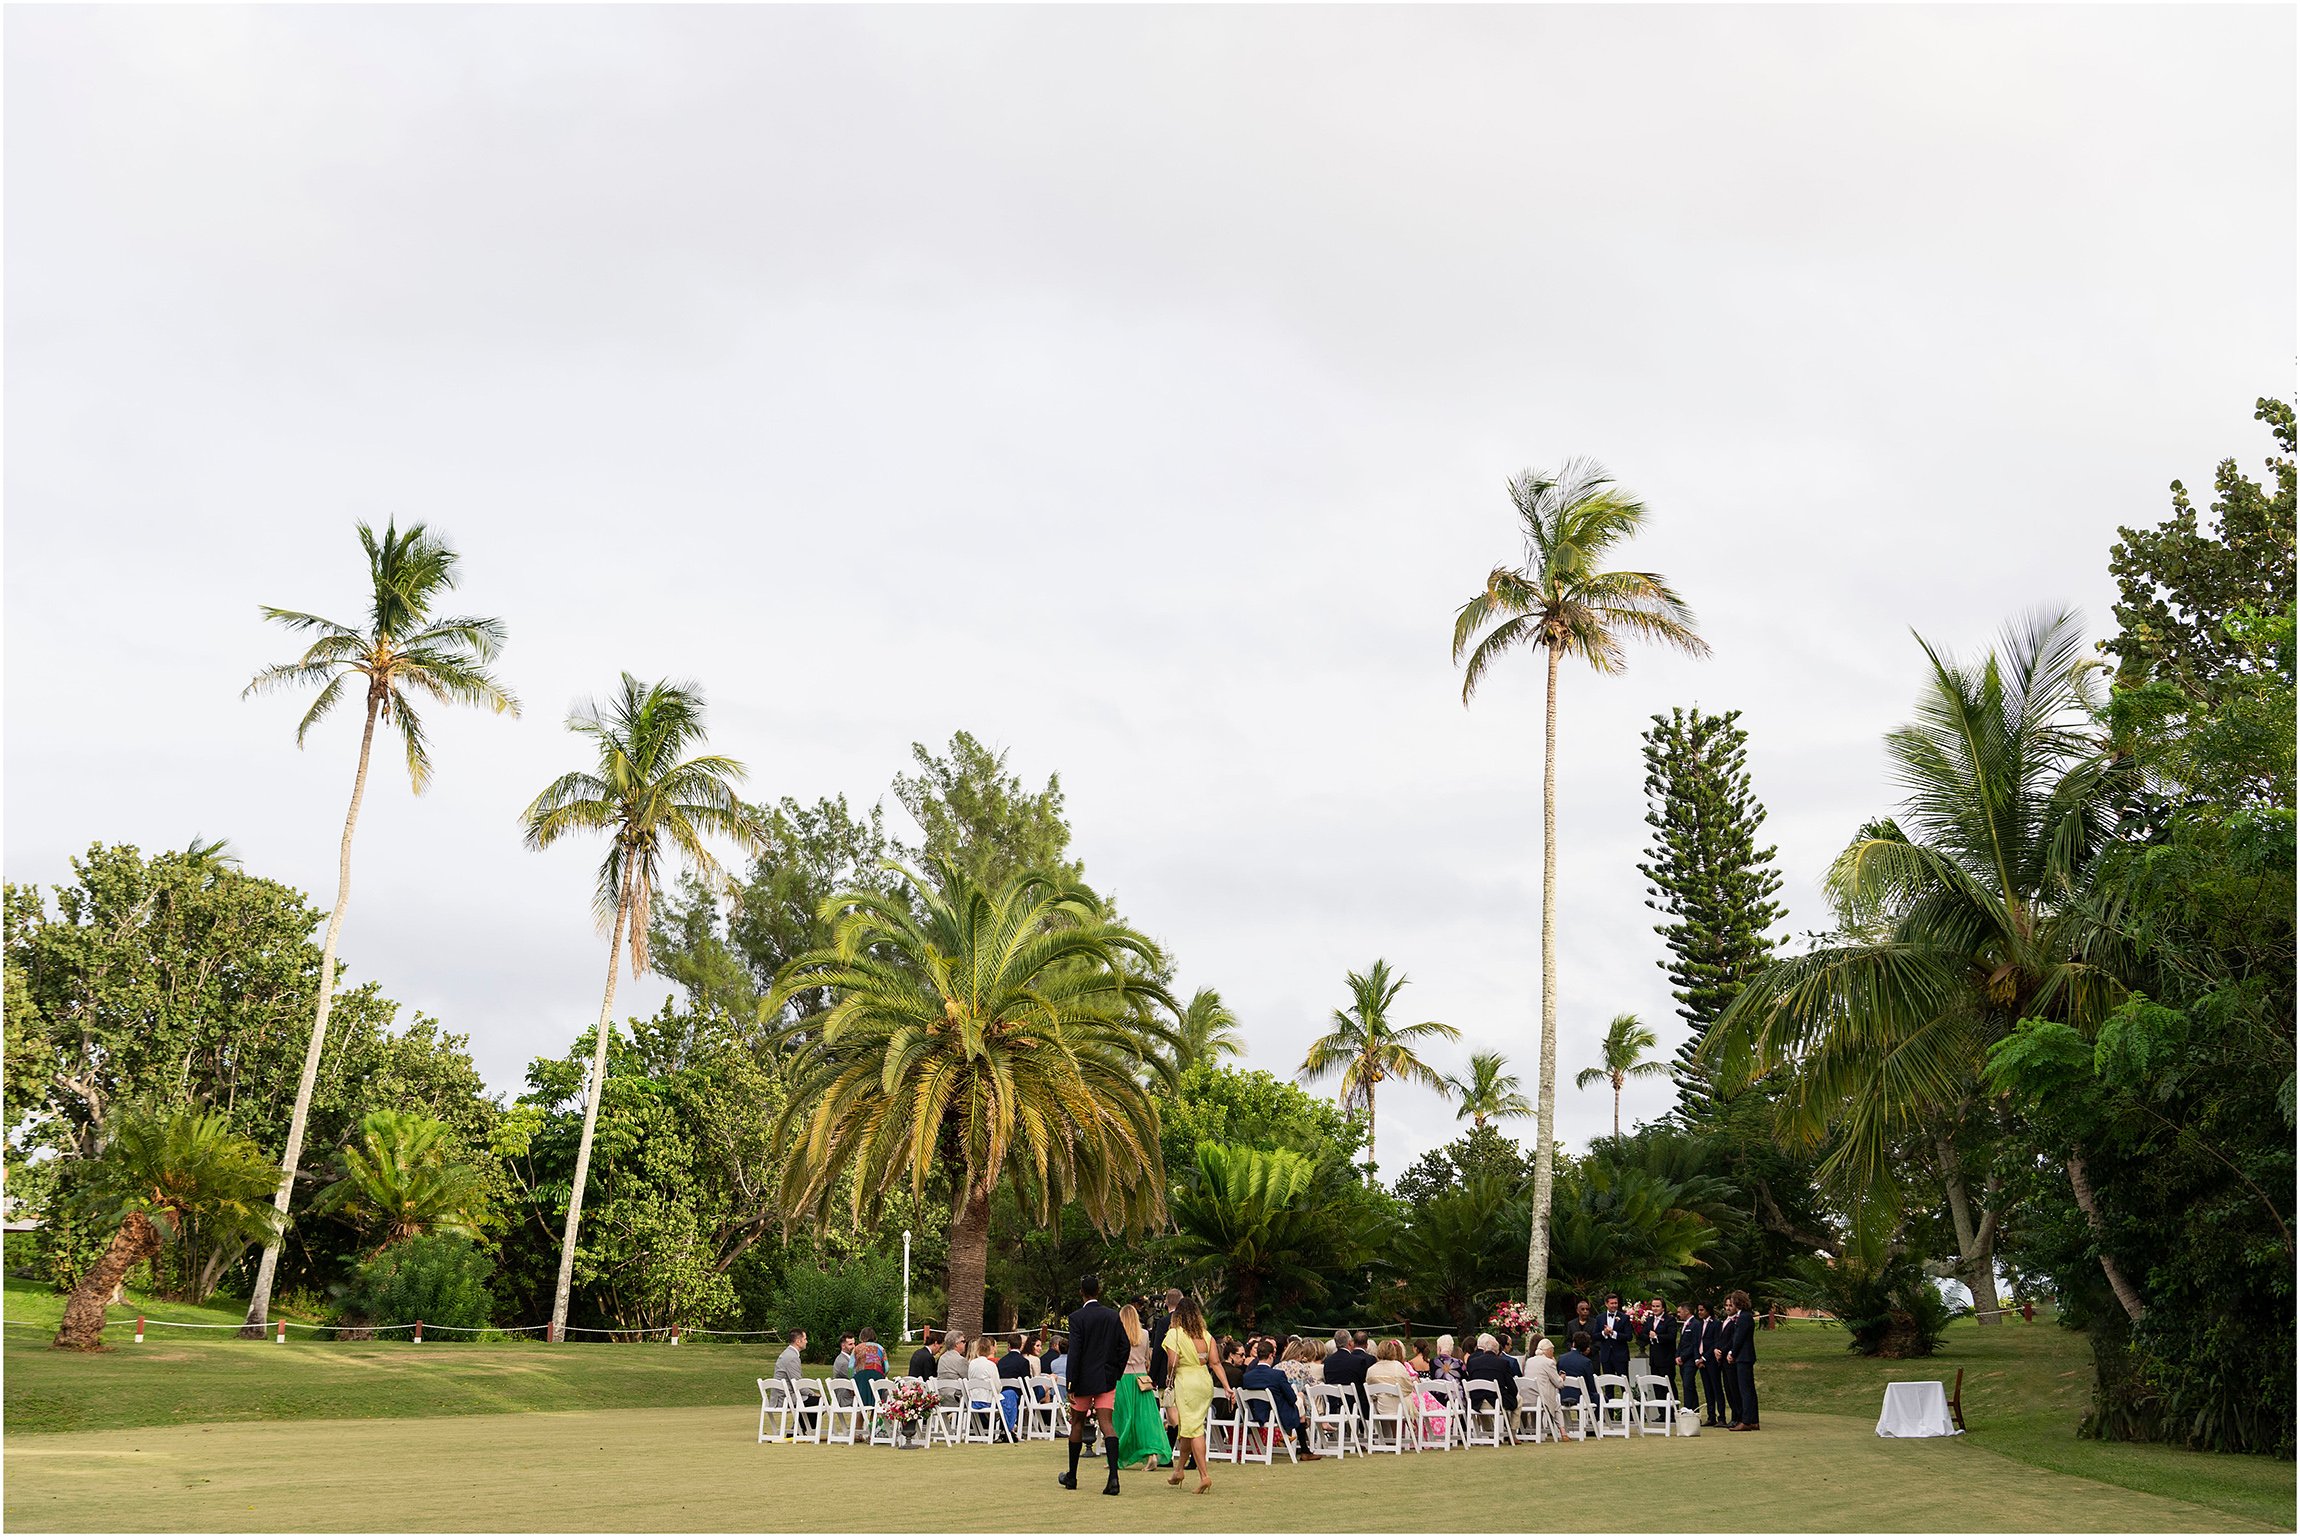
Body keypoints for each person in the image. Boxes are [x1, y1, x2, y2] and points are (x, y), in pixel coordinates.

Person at [1058, 1273, 1129, 1495]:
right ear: (1098, 1291)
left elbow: (1075, 1351)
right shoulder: (1112, 1316)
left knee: (1077, 1423)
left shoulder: (1077, 1318)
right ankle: (1113, 1478)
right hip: (1106, 1379)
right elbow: (1124, 1346)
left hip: (1083, 1380)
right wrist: (1116, 1371)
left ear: (1081, 1292)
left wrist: (1071, 1383)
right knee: (1107, 1424)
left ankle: (1072, 1476)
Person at [1163, 1295, 1228, 1493]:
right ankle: (1179, 1470)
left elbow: (1172, 1362)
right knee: (1190, 1427)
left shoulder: (1174, 1334)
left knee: (1194, 1429)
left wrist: (1169, 1379)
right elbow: (1215, 1363)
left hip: (1186, 1382)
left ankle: (1204, 1476)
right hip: (1204, 1381)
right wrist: (1226, 1386)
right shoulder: (1206, 1335)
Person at [1239, 1338, 1321, 1459]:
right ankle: (1305, 1450)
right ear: (1271, 1355)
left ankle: (1305, 1450)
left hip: (1254, 1414)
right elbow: (1291, 1398)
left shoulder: (1247, 1376)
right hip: (1277, 1415)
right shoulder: (1277, 1375)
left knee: (1298, 1402)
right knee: (1300, 1399)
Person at [1111, 1304, 1170, 1471]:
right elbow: (1146, 1357)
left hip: (1122, 1379)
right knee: (1145, 1420)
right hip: (1141, 1379)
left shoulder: (1116, 1333)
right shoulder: (1144, 1334)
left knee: (1122, 1417)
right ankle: (1151, 1453)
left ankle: (1117, 1455)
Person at [1521, 1339, 1572, 1441]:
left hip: (1526, 1397)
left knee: (1547, 1401)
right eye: (1552, 1350)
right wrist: (1562, 1377)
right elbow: (1558, 1383)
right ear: (1548, 1350)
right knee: (1556, 1405)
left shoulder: (1529, 1361)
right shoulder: (1549, 1362)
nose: (1553, 1353)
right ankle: (1563, 1432)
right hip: (1541, 1398)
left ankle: (1535, 1431)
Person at [1723, 1291, 1760, 1431]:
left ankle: (1747, 1420)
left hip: (1744, 1357)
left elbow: (1739, 1337)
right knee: (1748, 1389)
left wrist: (1732, 1352)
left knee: (1745, 1390)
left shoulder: (1744, 1317)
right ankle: (1753, 1420)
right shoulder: (1744, 1316)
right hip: (1743, 1356)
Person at [1461, 1333, 1519, 1416]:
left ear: (1485, 1350)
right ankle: (1513, 1428)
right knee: (1518, 1400)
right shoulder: (1503, 1363)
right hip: (1496, 1401)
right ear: (1497, 1351)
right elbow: (1513, 1388)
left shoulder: (1473, 1362)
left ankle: (1487, 1428)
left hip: (1476, 1402)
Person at [1698, 1301, 1733, 1426]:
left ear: (1708, 1310)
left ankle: (1721, 1417)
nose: (1699, 1312)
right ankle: (1711, 1416)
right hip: (1701, 1361)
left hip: (1712, 1360)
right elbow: (1698, 1341)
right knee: (1708, 1389)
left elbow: (1716, 1342)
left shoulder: (1716, 1323)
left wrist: (1705, 1358)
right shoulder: (1699, 1324)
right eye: (1699, 1310)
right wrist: (1698, 1358)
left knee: (1716, 1388)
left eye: (1702, 1310)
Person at [1671, 1303, 1703, 1419]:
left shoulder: (1695, 1324)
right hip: (1682, 1360)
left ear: (1686, 1311)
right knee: (1688, 1385)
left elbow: (1694, 1344)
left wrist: (1683, 1357)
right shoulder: (1685, 1324)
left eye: (1680, 1312)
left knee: (1688, 1384)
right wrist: (1677, 1356)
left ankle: (1689, 1409)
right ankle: (1693, 1411)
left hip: (1689, 1360)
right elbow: (1682, 1343)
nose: (1678, 1314)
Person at [997, 1334, 1033, 1434]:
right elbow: (1026, 1382)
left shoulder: (1001, 1361)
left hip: (1002, 1394)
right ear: (1021, 1345)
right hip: (1018, 1395)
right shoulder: (1023, 1361)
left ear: (1009, 1345)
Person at [1557, 1332, 1600, 1413]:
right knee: (1598, 1397)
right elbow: (1591, 1386)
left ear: (1573, 1344)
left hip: (1563, 1395)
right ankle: (1597, 1420)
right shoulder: (1586, 1362)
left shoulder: (1561, 1358)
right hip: (1581, 1397)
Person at [1594, 1292, 1632, 1380]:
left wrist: (1613, 1333)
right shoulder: (1599, 1318)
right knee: (1608, 1384)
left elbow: (1629, 1337)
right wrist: (1604, 1333)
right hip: (1606, 1356)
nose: (1614, 1305)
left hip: (1621, 1356)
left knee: (1624, 1383)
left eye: (1616, 1303)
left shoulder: (1624, 1318)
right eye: (1612, 1303)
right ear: (1606, 1304)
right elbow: (1595, 1335)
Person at [1646, 1299, 1679, 1387]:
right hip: (1654, 1359)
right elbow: (1644, 1334)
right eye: (1653, 1306)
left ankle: (1672, 1400)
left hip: (1666, 1358)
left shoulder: (1670, 1320)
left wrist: (1657, 1336)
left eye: (1657, 1306)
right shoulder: (1649, 1319)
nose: (1655, 1309)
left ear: (1663, 1308)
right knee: (1656, 1386)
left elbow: (1672, 1336)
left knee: (1668, 1386)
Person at [853, 1327, 889, 1406]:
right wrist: (883, 1376)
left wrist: (853, 1380)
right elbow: (886, 1368)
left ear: (861, 1337)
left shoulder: (857, 1348)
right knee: (876, 1402)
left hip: (861, 1377)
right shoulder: (880, 1348)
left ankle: (861, 1416)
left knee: (862, 1404)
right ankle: (874, 1416)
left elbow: (850, 1368)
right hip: (877, 1375)